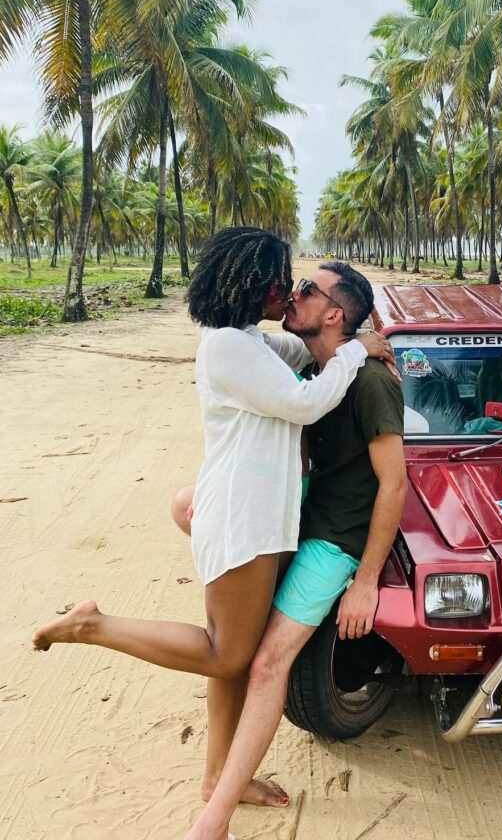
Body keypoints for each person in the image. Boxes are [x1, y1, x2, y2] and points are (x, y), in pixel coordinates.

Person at [31, 229, 395, 813]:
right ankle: (93, 625)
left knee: (231, 655)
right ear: (258, 284)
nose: (291, 289)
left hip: (263, 517)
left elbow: (307, 357)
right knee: (227, 655)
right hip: (242, 518)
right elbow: (304, 402)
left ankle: (218, 778)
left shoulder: (248, 340)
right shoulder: (226, 345)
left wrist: (354, 340)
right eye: (285, 279)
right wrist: (356, 351)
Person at [184, 260, 407, 840]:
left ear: (333, 313)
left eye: (307, 289)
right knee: (232, 629)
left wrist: (365, 580)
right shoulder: (317, 363)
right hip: (296, 519)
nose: (292, 292)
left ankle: (213, 819)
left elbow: (394, 484)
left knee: (264, 663)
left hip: (333, 541)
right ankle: (219, 777)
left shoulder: (371, 381)